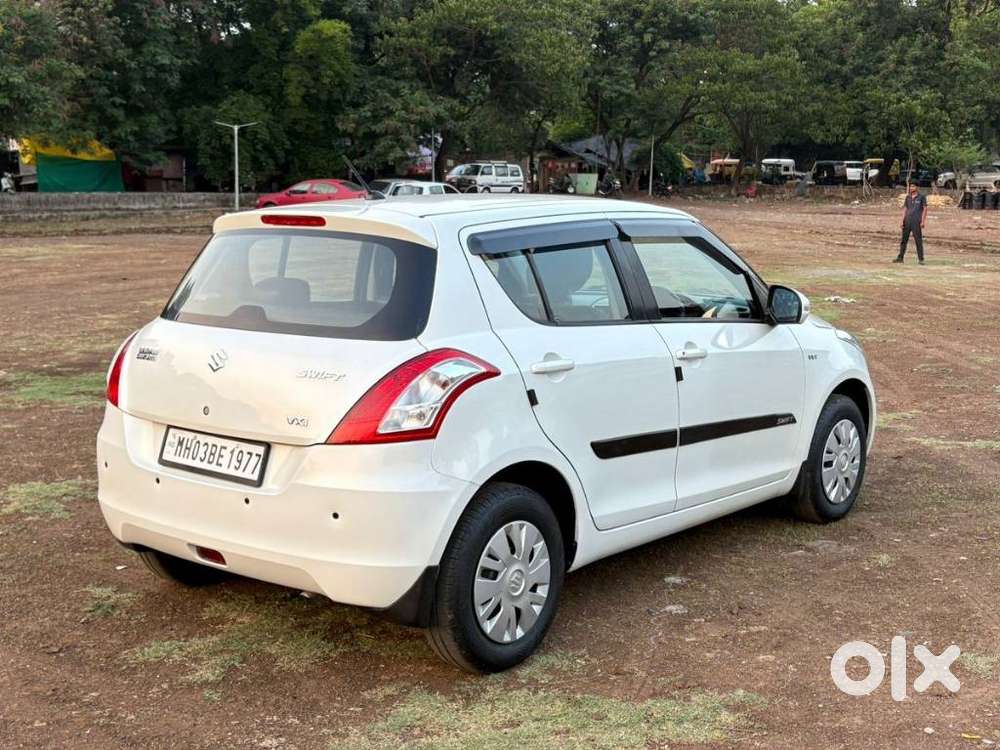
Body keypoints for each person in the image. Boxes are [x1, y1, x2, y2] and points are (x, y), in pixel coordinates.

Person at [894, 182, 927, 264]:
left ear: (917, 187)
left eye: (913, 186)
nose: (911, 188)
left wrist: (922, 221)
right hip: (907, 221)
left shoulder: (921, 197)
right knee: (904, 240)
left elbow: (925, 209)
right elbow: (905, 209)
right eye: (910, 186)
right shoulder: (908, 197)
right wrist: (902, 221)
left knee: (918, 240)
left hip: (916, 221)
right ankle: (900, 258)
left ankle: (921, 259)